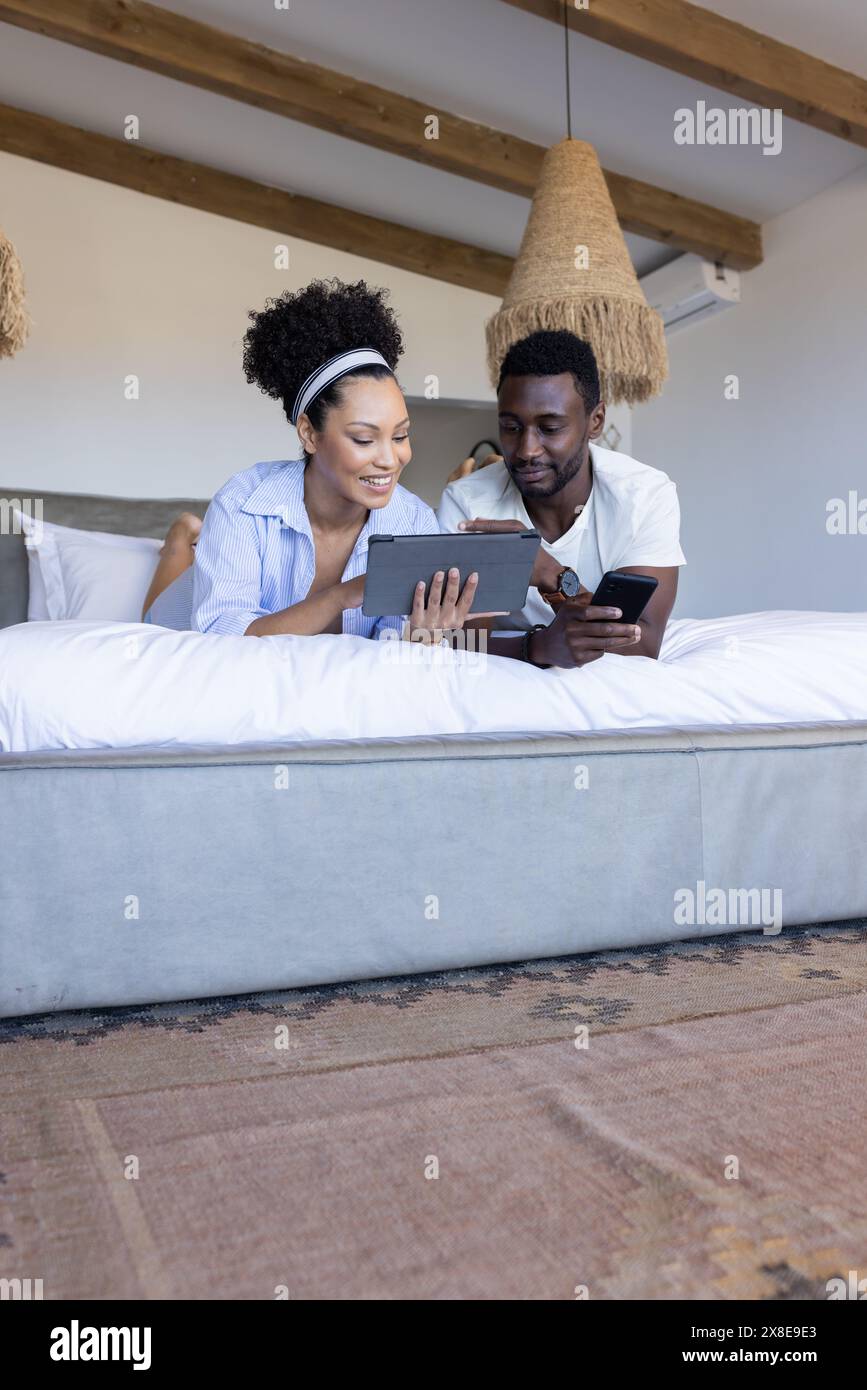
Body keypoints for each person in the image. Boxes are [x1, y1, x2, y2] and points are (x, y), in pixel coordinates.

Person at [142, 278, 478, 638]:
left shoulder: (414, 523)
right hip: (175, 625)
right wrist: (342, 596)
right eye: (364, 439)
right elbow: (224, 639)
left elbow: (390, 653)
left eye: (400, 435)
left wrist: (426, 635)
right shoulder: (243, 502)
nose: (390, 460)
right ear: (308, 433)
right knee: (155, 604)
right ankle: (180, 539)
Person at [436, 329, 685, 668]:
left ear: (595, 421)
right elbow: (456, 643)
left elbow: (641, 644)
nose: (526, 450)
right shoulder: (467, 503)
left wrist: (552, 575)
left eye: (550, 429)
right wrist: (537, 647)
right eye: (511, 427)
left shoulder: (645, 496)